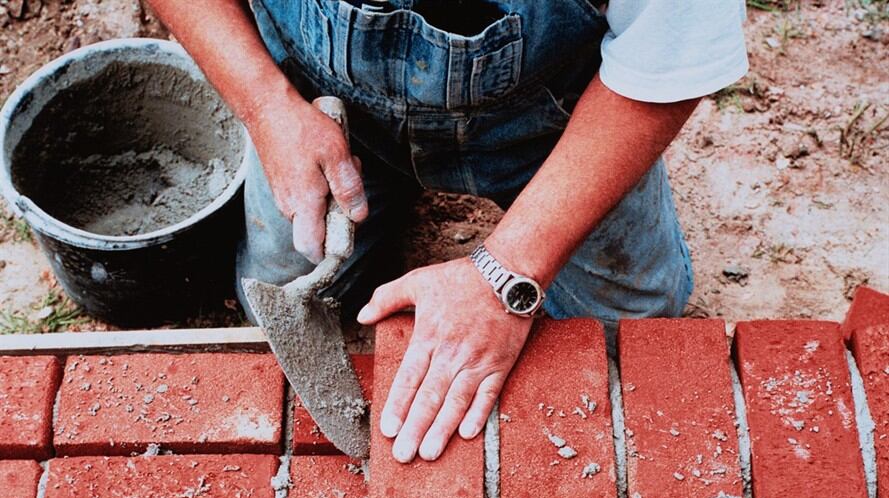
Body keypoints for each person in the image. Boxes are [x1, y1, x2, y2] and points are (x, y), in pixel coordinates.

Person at [147, 0, 748, 463]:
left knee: (632, 325)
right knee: (281, 278)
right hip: (322, 104)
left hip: (549, 121)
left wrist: (507, 274)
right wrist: (266, 104)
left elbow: (668, 59)